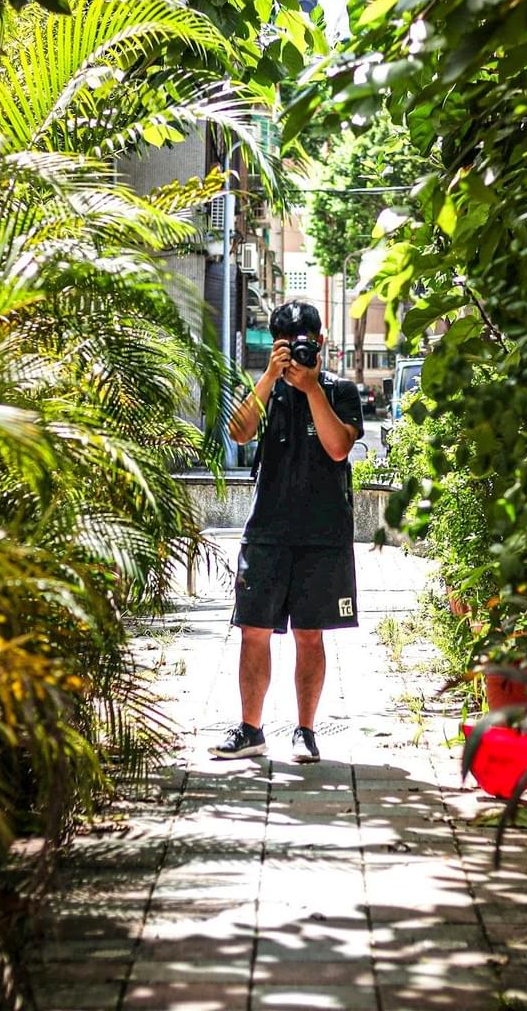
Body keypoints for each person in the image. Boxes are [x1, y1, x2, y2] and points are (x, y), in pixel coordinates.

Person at [210, 301, 364, 763]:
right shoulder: (267, 391)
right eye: (287, 345)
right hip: (267, 530)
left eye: (303, 344)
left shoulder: (340, 391)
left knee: (310, 635)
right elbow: (237, 434)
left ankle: (305, 731)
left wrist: (312, 388)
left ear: (319, 342)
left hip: (323, 532)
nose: (297, 353)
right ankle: (251, 729)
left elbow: (338, 449)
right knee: (252, 630)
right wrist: (268, 377)